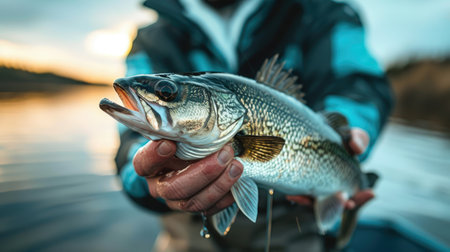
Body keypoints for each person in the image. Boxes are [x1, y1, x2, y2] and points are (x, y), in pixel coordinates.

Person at [115, 0, 394, 251]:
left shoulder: (318, 10)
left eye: (167, 94)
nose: (161, 98)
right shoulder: (153, 37)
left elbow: (358, 84)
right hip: (188, 228)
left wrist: (351, 127)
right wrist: (149, 179)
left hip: (292, 226)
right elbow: (131, 144)